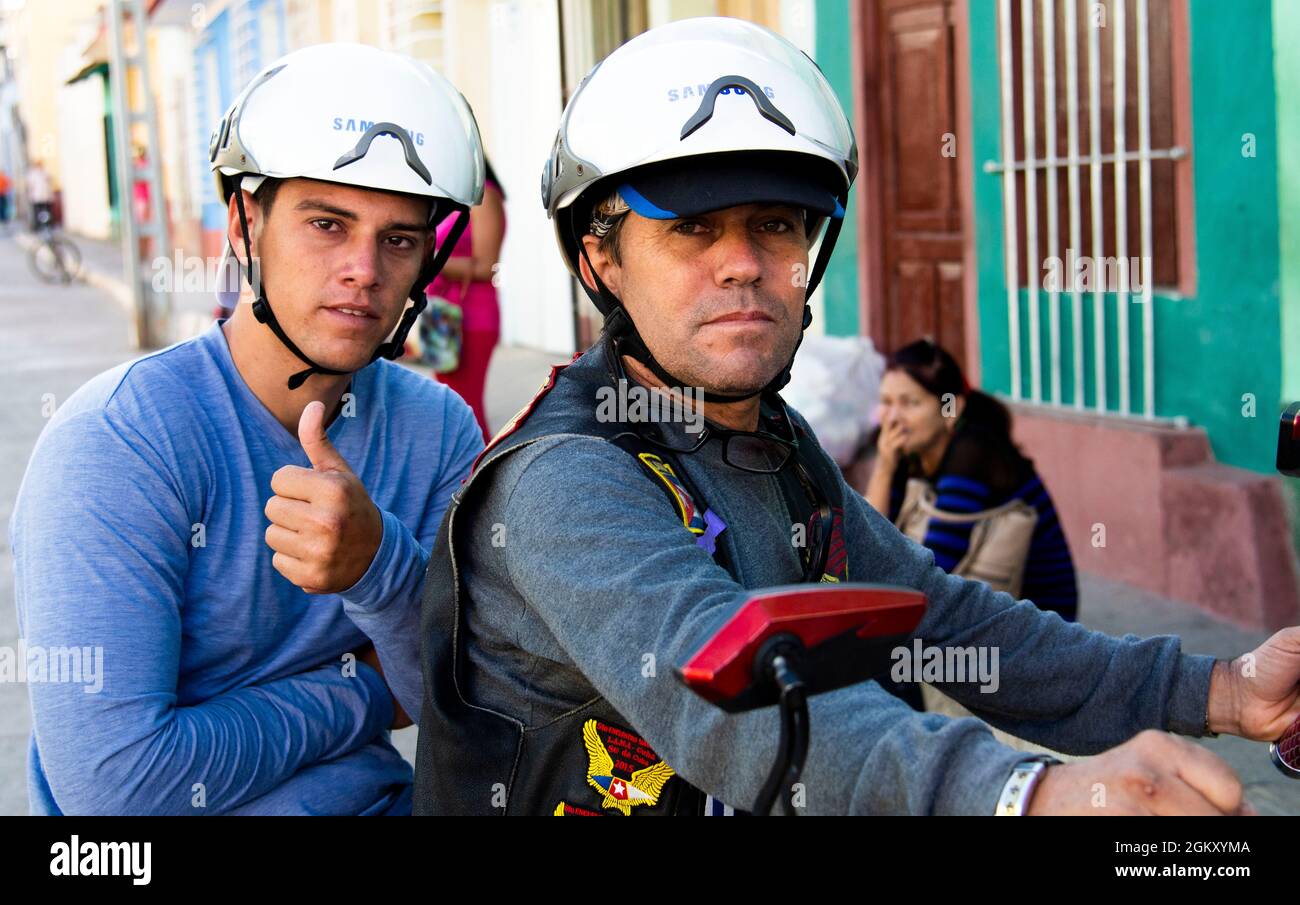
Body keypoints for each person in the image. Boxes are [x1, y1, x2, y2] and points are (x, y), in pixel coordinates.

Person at [412, 17, 1300, 816]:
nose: (742, 264)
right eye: (690, 229)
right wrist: (1027, 794)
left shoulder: (778, 445)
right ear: (600, 259)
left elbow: (943, 622)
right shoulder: (561, 479)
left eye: (775, 223)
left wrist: (1223, 688)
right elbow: (730, 703)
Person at [10, 43, 485, 815]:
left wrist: (379, 565)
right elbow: (115, 787)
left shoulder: (438, 430)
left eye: (398, 238)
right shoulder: (116, 443)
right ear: (245, 222)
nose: (364, 268)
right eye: (327, 224)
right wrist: (361, 691)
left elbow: (469, 708)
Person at [865, 338, 1078, 621]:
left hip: (1040, 617)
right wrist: (884, 466)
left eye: (910, 403)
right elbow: (870, 536)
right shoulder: (909, 451)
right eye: (886, 402)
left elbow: (931, 569)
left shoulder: (973, 453)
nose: (892, 418)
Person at [420, 159, 506, 440]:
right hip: (440, 314)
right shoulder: (453, 201)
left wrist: (424, 259)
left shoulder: (485, 197)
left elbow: (486, 265)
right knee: (450, 406)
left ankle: (482, 479)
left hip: (471, 316)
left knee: (466, 408)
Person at [27, 161, 53, 231]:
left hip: (46, 197)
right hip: (37, 197)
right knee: (38, 212)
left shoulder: (46, 172)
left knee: (46, 212)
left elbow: (50, 182)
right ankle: (39, 226)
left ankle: (47, 224)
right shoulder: (33, 174)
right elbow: (30, 186)